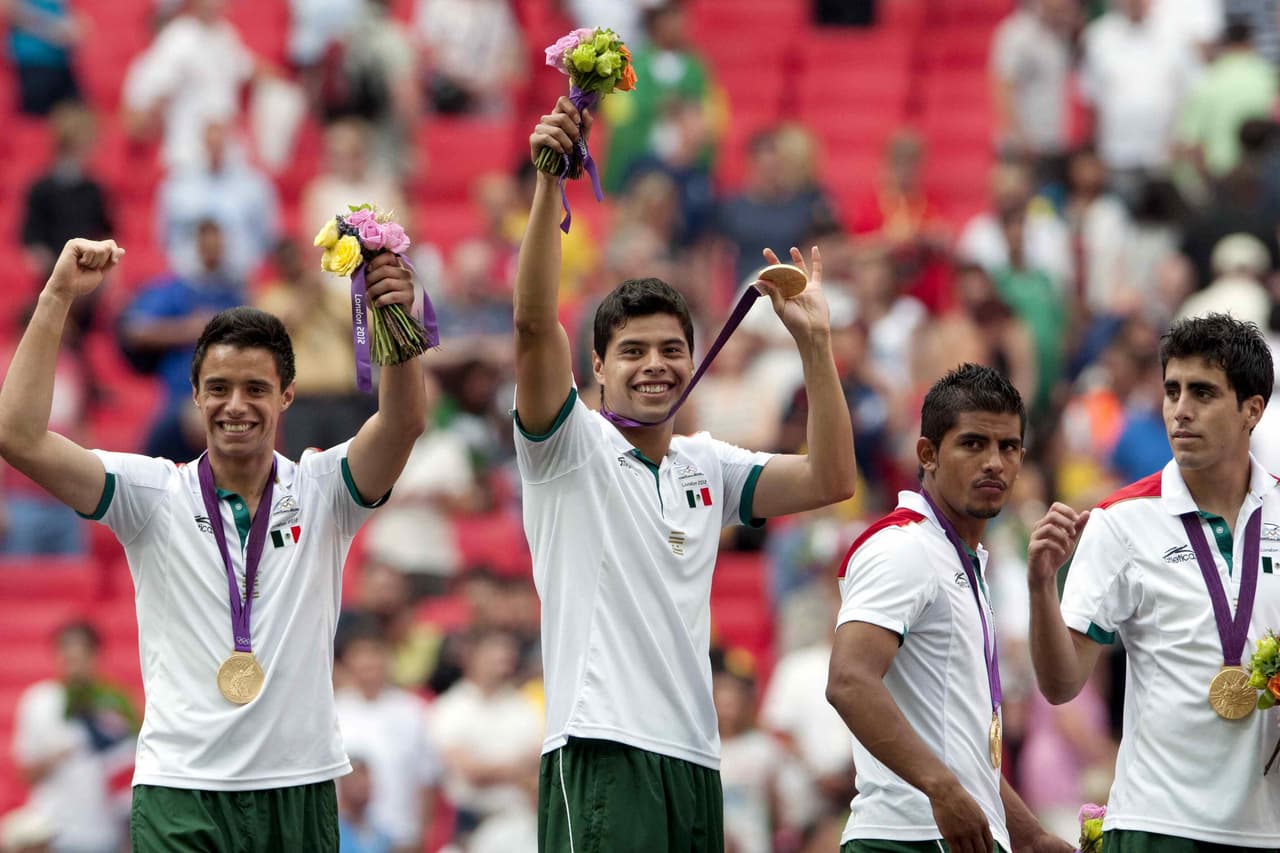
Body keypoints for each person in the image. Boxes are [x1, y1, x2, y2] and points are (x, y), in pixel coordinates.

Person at [0, 239, 427, 851]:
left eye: (256, 388)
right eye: (219, 387)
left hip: (297, 786)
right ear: (195, 396)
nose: (236, 406)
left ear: (286, 396)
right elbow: (18, 437)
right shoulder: (150, 495)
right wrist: (58, 295)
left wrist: (395, 321)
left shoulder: (325, 490)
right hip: (181, 790)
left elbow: (403, 422)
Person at [516, 97, 857, 852]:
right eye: (632, 351)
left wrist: (816, 348)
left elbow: (833, 477)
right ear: (597, 367)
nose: (654, 365)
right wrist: (549, 184)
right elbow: (535, 325)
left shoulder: (708, 464)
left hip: (696, 755)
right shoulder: (565, 446)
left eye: (671, 348)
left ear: (693, 361)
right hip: (599, 747)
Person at [1027, 313, 1280, 852]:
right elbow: (1060, 684)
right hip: (1155, 824)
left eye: (1204, 393)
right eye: (1172, 390)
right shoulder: (1119, 521)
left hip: (1268, 826)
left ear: (1251, 410)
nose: (1180, 410)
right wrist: (1039, 590)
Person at [826, 364, 1072, 853]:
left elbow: (962, 750)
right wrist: (941, 789)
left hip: (950, 834)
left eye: (1008, 447)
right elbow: (849, 682)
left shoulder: (962, 559)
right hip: (907, 838)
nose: (995, 463)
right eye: (973, 443)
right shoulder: (905, 548)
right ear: (928, 454)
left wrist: (1032, 836)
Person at [11, 622, 139, 853]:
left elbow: (131, 770)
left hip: (104, 833)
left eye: (80, 658)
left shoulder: (115, 703)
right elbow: (25, 773)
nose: (74, 667)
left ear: (95, 657)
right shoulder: (38, 701)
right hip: (52, 830)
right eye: (67, 658)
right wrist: (55, 757)